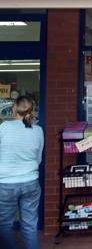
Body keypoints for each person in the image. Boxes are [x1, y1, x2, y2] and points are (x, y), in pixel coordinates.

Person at [0, 96, 44, 249]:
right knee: (30, 226)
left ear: (13, 109)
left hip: (6, 183)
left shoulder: (4, 127)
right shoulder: (38, 131)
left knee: (4, 225)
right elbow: (38, 159)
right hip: (31, 182)